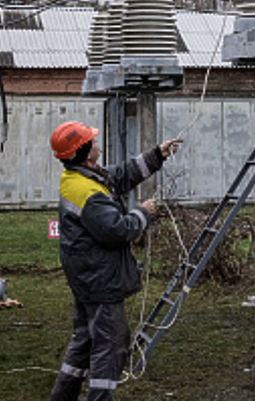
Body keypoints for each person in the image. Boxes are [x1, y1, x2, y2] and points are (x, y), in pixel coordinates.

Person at [47, 120, 183, 401]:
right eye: (92, 142)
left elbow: (121, 174)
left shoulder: (80, 178)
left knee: (84, 342)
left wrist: (157, 154)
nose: (97, 144)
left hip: (85, 277)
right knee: (111, 346)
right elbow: (118, 231)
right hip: (99, 280)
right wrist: (143, 213)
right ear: (85, 152)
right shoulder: (88, 193)